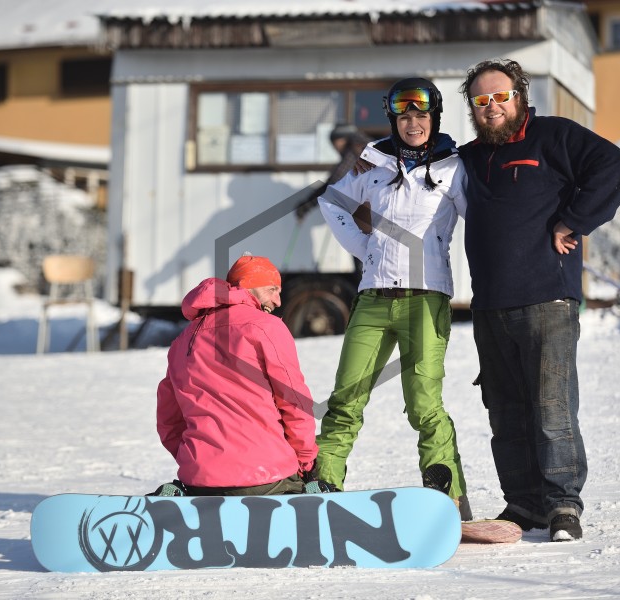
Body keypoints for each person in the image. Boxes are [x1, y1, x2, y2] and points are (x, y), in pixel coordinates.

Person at [457, 59, 620, 541]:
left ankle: (562, 506)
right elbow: (414, 162)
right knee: (505, 410)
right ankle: (523, 503)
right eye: (481, 100)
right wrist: (367, 161)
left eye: (501, 96)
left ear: (520, 97)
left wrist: (573, 220)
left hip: (547, 300)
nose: (492, 107)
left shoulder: (554, 137)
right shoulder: (470, 157)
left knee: (552, 407)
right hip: (490, 304)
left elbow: (612, 165)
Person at [313, 77, 473, 520]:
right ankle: (320, 487)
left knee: (424, 404)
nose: (413, 123)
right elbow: (332, 202)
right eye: (404, 116)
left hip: (427, 298)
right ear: (393, 119)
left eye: (421, 115)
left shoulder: (454, 168)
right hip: (373, 298)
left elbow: (482, 219)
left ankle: (448, 499)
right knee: (345, 399)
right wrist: (364, 247)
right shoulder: (374, 162)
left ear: (434, 117)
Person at [153, 254, 320, 496]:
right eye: (272, 289)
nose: (278, 300)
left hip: (199, 482)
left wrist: (196, 459)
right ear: (247, 287)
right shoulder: (267, 327)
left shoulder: (182, 341)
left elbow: (168, 419)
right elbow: (294, 403)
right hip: (267, 480)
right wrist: (306, 463)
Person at [295, 123, 373, 221]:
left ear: (341, 140)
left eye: (334, 144)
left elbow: (334, 182)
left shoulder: (354, 150)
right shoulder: (367, 146)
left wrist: (307, 205)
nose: (335, 148)